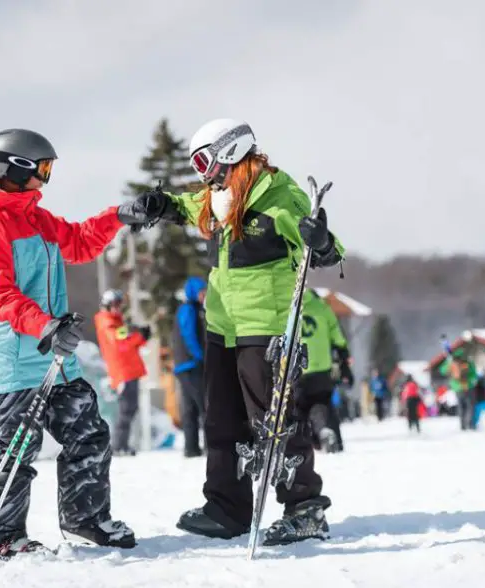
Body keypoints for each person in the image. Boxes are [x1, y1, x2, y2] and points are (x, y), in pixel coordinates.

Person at [117, 118, 344, 546]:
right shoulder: (217, 198)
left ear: (231, 152)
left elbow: (327, 252)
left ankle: (304, 507)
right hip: (222, 323)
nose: (202, 175)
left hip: (266, 323)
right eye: (196, 165)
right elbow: (186, 206)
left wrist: (323, 242)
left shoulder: (281, 196)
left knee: (273, 420)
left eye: (205, 162)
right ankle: (226, 508)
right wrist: (159, 205)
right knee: (221, 418)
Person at [0, 128, 137, 560]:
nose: (46, 177)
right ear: (13, 170)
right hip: (13, 357)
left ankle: (86, 520)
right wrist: (44, 326)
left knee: (88, 431)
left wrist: (120, 215)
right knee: (15, 448)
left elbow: (78, 243)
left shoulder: (37, 219)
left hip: (53, 355)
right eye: (41, 169)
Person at [94, 288, 151, 456]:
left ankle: (121, 444)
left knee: (130, 408)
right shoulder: (107, 322)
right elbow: (120, 343)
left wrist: (139, 335)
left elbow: (126, 340)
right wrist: (137, 335)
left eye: (119, 305)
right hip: (123, 371)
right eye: (115, 305)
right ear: (107, 305)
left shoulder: (116, 322)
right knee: (126, 409)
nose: (118, 308)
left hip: (129, 369)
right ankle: (119, 446)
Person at [295, 290, 351, 453]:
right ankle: (334, 440)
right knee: (325, 404)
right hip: (322, 368)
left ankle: (306, 445)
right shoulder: (322, 307)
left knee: (299, 408)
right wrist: (343, 357)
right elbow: (338, 338)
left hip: (298, 369)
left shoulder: (290, 306)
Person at [172, 276, 208, 458]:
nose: (204, 296)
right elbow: (189, 335)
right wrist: (200, 356)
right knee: (205, 405)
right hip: (191, 364)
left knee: (190, 409)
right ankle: (211, 446)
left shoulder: (187, 309)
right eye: (202, 292)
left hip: (182, 365)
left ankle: (191, 447)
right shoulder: (189, 309)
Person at [440, 348, 478, 430]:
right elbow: (474, 374)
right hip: (468, 387)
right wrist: (471, 381)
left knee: (461, 407)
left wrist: (448, 361)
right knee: (470, 407)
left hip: (457, 388)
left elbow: (442, 370)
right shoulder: (468, 362)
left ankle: (463, 425)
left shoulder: (452, 363)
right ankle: (470, 425)